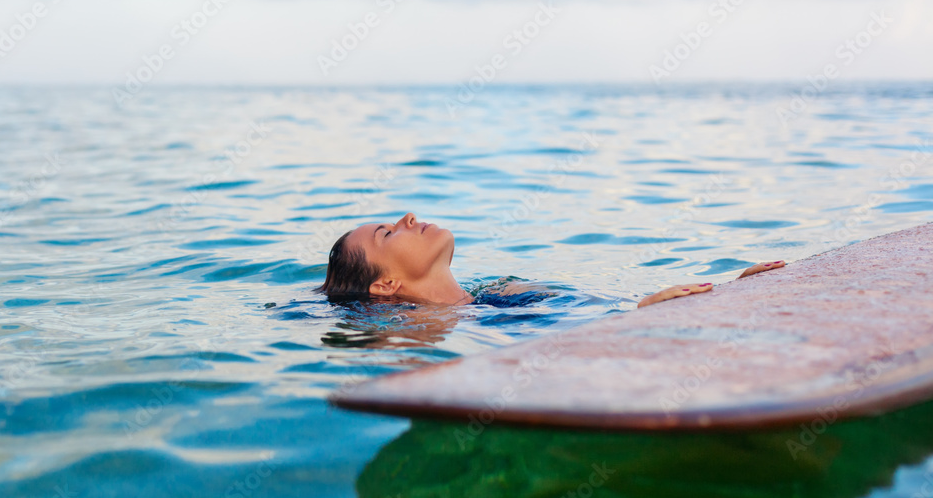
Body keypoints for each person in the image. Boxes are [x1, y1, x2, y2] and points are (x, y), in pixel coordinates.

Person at [316, 212, 785, 307]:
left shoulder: (498, 293)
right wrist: (643, 311)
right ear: (385, 285)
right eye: (388, 233)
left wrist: (728, 289)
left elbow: (606, 304)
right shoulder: (448, 331)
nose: (408, 216)